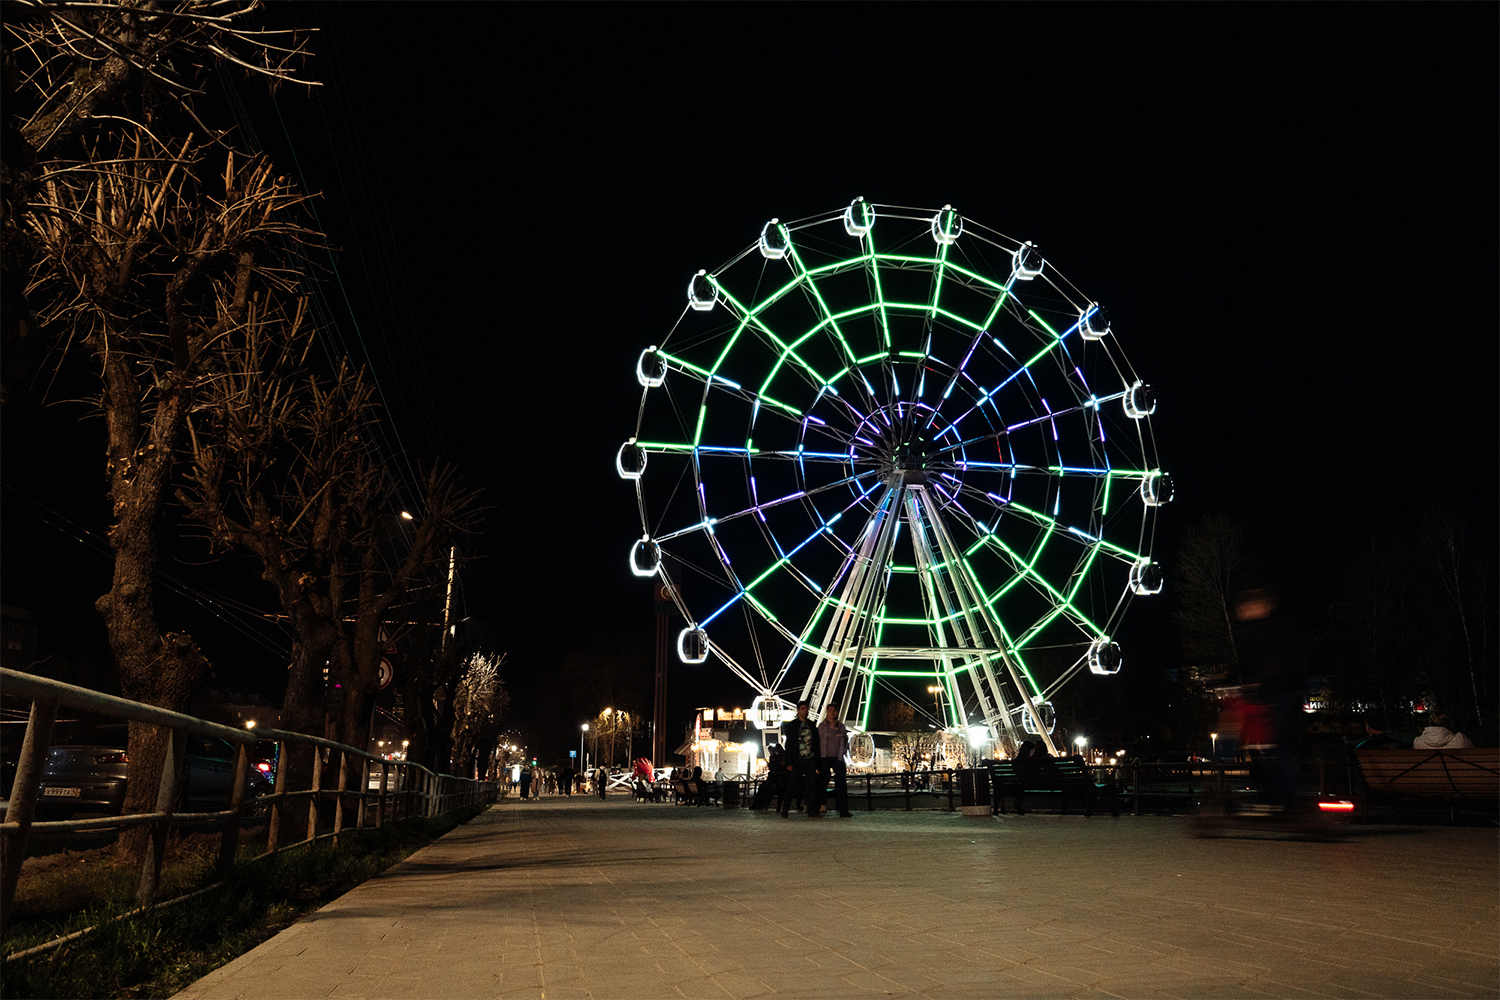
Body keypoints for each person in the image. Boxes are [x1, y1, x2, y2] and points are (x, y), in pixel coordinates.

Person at [782, 700, 822, 818]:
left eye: (807, 709)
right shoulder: (792, 726)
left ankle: (812, 810)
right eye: (803, 709)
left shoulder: (812, 725)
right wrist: (788, 762)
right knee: (791, 785)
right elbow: (789, 745)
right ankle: (785, 808)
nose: (806, 711)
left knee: (811, 786)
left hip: (810, 759)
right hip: (797, 760)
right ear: (798, 710)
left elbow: (816, 744)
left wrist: (817, 762)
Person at [818, 704, 853, 818]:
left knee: (841, 784)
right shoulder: (822, 727)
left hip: (838, 758)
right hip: (825, 757)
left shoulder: (841, 727)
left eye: (834, 710)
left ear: (837, 712)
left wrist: (843, 752)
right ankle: (821, 806)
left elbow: (845, 742)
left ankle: (843, 810)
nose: (832, 712)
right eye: (830, 710)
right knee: (822, 783)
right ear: (827, 712)